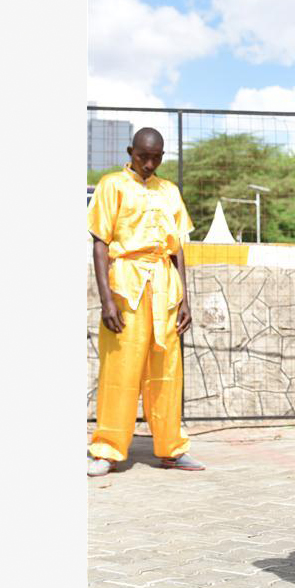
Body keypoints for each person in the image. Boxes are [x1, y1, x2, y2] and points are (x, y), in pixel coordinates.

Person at [86, 127, 205, 477]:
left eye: (155, 157)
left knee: (167, 372)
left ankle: (171, 448)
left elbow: (178, 248)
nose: (149, 163)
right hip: (127, 286)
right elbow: (99, 243)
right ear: (130, 151)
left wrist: (185, 300)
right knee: (120, 371)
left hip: (166, 290)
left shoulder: (170, 191)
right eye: (143, 156)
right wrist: (106, 300)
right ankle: (107, 449)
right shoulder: (111, 185)